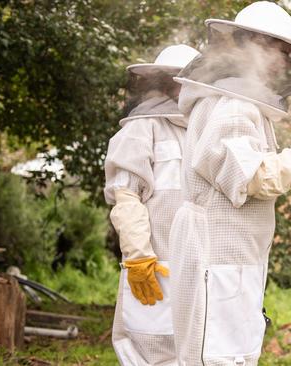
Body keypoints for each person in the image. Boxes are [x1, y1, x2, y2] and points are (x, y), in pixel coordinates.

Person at [168, 2, 291, 365]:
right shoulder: (232, 106)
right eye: (278, 50)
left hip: (229, 258)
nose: (282, 62)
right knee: (216, 357)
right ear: (251, 46)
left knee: (235, 353)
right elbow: (251, 177)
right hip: (216, 259)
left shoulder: (238, 104)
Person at [104, 44, 200, 366]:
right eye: (174, 79)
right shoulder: (142, 128)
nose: (180, 86)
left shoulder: (203, 131)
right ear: (161, 81)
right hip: (154, 265)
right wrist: (138, 256)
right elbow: (127, 198)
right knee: (148, 352)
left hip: (197, 269)